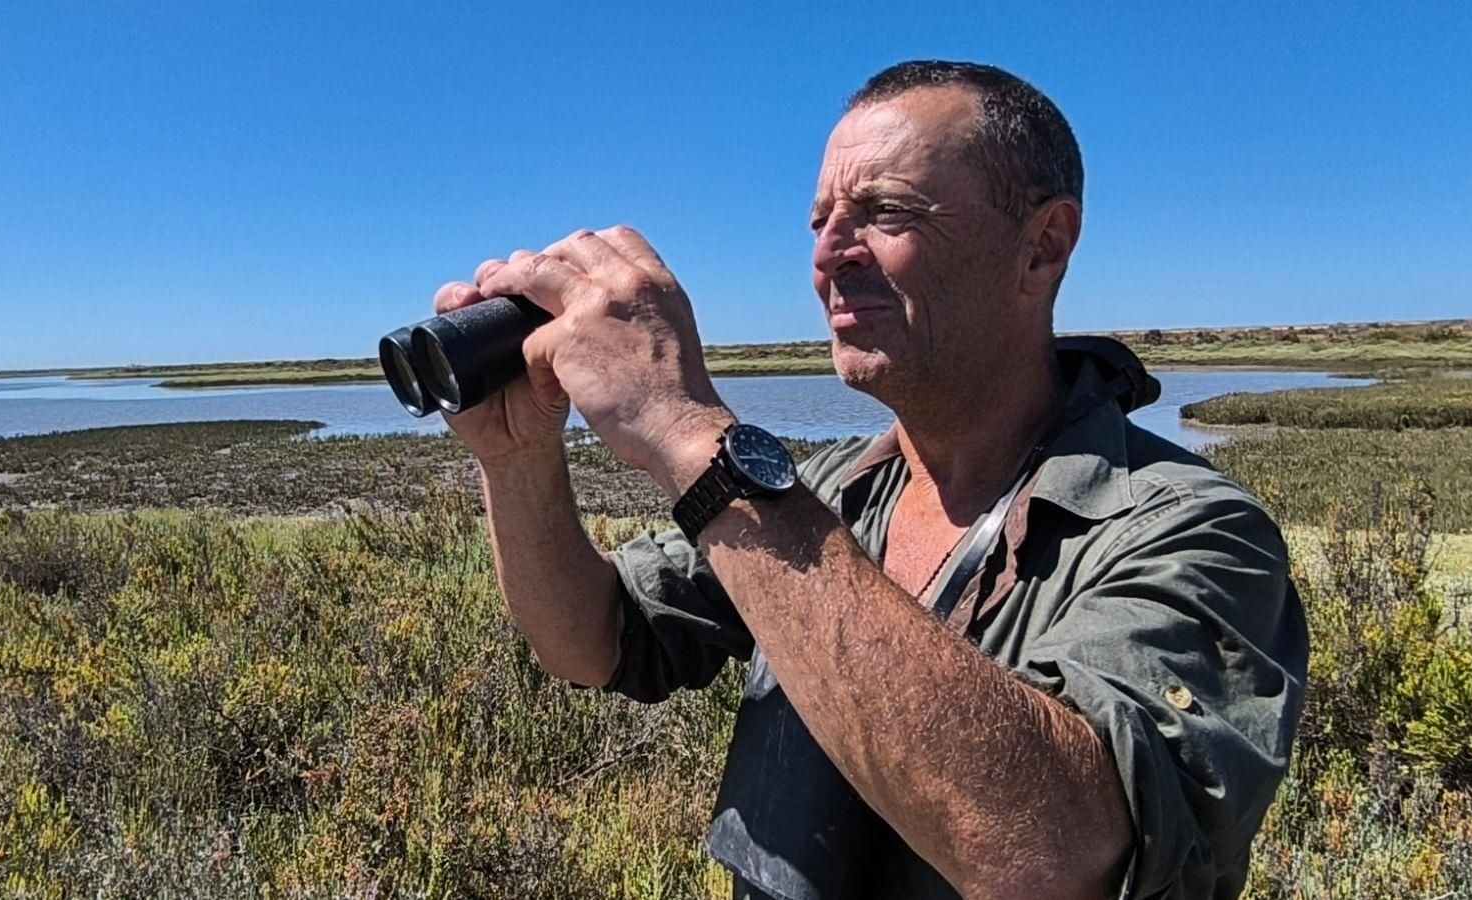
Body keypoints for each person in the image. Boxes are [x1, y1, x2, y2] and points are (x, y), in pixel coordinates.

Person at [430, 60, 1307, 900]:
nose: (831, 255)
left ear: (1043, 247)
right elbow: (595, 642)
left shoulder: (1190, 529)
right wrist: (515, 458)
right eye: (819, 222)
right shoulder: (836, 490)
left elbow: (1054, 857)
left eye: (886, 212)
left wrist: (688, 433)